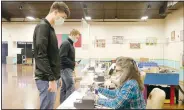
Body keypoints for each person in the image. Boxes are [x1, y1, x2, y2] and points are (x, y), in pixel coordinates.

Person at [33, 2, 70, 109]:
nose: (63, 20)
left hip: (52, 77)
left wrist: (58, 76)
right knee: (47, 106)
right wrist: (51, 79)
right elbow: (41, 55)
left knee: (50, 105)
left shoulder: (50, 28)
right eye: (63, 17)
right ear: (55, 12)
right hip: (46, 78)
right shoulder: (43, 27)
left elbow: (54, 56)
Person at [59, 29, 81, 104]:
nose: (77, 39)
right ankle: (68, 104)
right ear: (72, 35)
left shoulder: (70, 44)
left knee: (64, 88)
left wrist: (73, 63)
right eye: (77, 38)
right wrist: (73, 64)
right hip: (65, 69)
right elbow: (62, 57)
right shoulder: (66, 43)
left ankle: (63, 104)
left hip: (66, 69)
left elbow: (67, 57)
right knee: (70, 87)